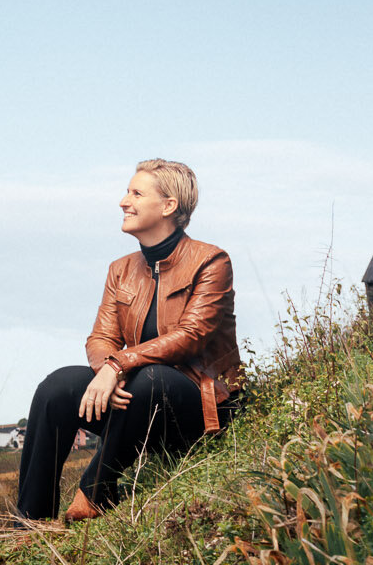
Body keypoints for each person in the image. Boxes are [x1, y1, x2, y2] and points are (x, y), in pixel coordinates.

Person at [15, 158, 241, 525]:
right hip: (135, 401)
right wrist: (109, 369)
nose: (124, 201)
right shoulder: (120, 270)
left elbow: (190, 337)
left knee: (151, 379)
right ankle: (30, 521)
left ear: (168, 206)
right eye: (126, 192)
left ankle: (97, 490)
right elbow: (102, 337)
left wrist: (119, 365)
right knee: (57, 387)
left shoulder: (211, 261)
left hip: (199, 405)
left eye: (136, 193)